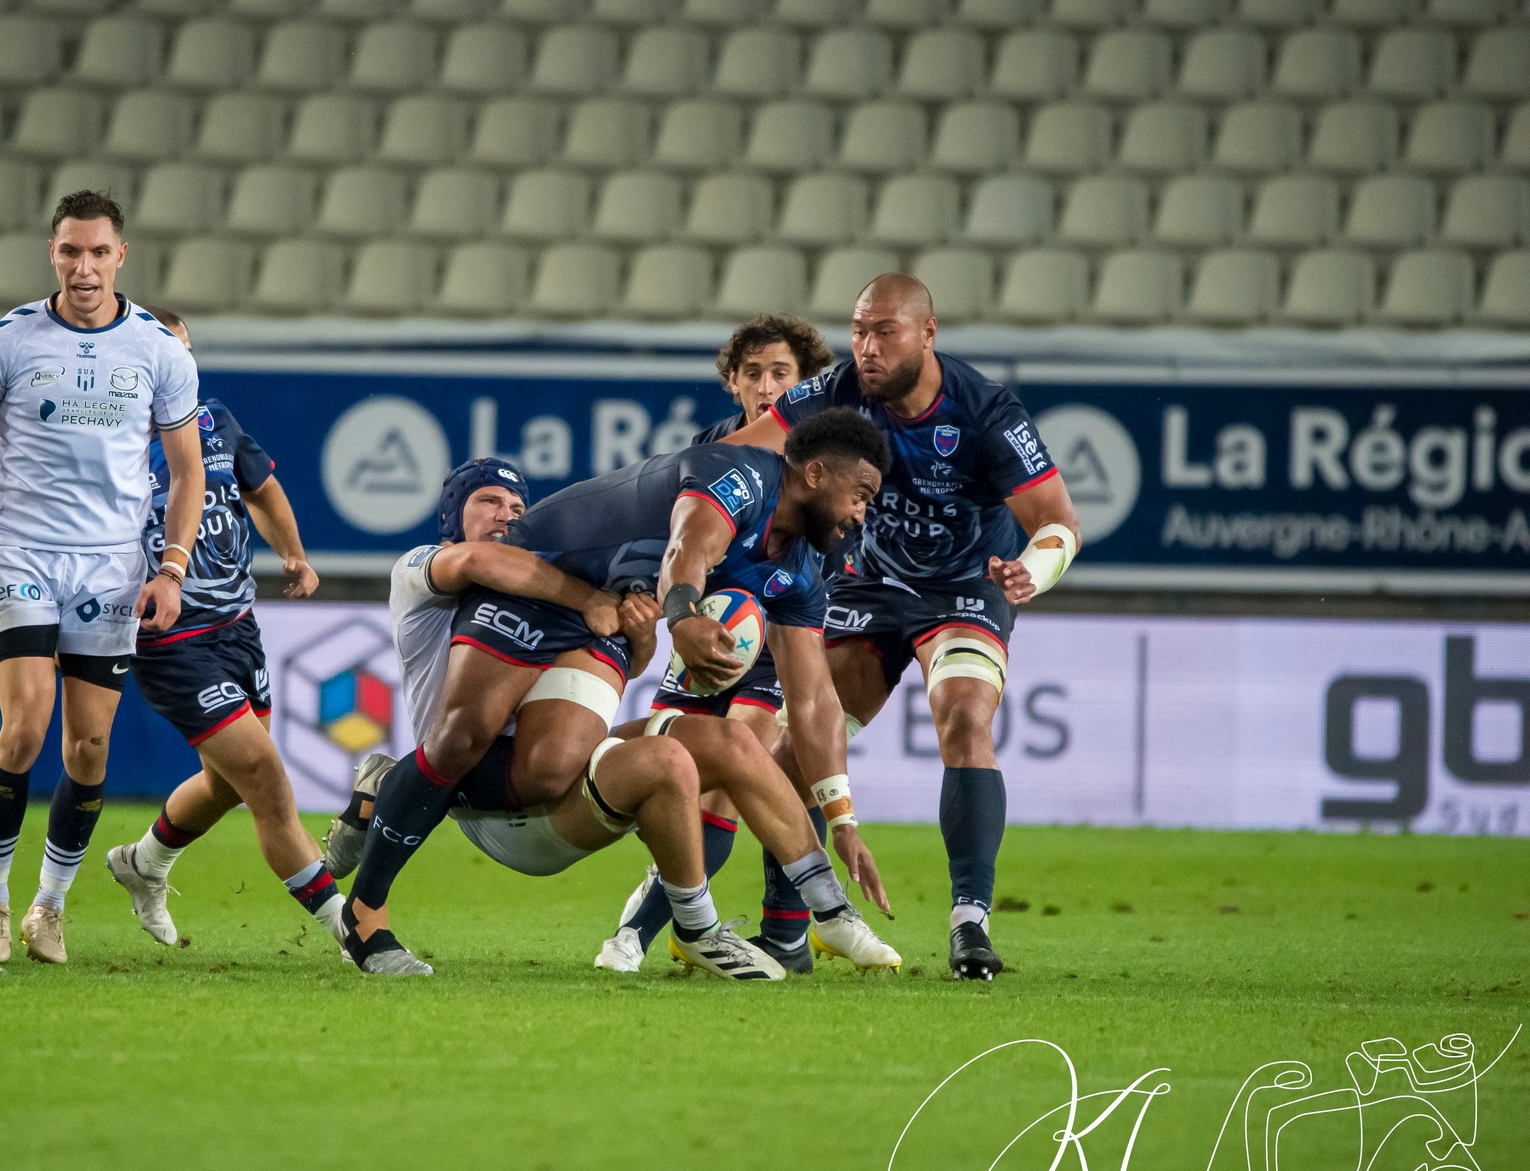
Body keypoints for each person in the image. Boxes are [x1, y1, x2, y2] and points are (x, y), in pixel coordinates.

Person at [342, 412, 898, 974]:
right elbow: (689, 545)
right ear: (817, 474)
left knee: (698, 748)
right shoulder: (740, 477)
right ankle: (365, 914)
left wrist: (843, 817)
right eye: (861, 494)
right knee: (477, 739)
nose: (862, 513)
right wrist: (680, 615)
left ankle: (814, 911)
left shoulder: (801, 565)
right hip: (542, 585)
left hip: (600, 615)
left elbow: (812, 699)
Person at [724, 273, 1083, 981]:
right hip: (871, 582)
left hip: (965, 585)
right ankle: (787, 931)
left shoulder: (986, 413)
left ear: (928, 332)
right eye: (858, 330)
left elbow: (1059, 523)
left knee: (963, 714)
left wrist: (1030, 573)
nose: (866, 347)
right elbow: (746, 449)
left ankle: (970, 922)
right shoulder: (838, 391)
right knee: (801, 747)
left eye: (884, 331)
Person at [0, 191, 201, 966]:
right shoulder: (5, 342)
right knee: (26, 723)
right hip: (23, 557)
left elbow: (186, 470)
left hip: (113, 566)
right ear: (53, 253)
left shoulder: (159, 350)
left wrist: (170, 569)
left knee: (88, 746)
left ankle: (49, 903)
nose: (83, 267)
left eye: (98, 252)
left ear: (120, 256)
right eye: (70, 251)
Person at [594, 314, 862, 975]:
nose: (767, 386)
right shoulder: (712, 451)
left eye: (782, 374)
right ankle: (660, 927)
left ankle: (766, 932)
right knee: (689, 774)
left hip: (784, 635)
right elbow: (675, 543)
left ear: (805, 387)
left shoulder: (834, 460)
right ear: (732, 382)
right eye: (753, 373)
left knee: (752, 759)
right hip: (713, 631)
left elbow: (833, 554)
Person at [101, 312, 354, 958]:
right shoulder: (109, 435)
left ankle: (144, 861)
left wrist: (294, 553)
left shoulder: (213, 420)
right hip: (168, 635)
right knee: (265, 775)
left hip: (237, 628)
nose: (177, 368)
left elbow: (262, 489)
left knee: (227, 781)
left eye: (186, 355)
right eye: (165, 355)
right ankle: (355, 932)